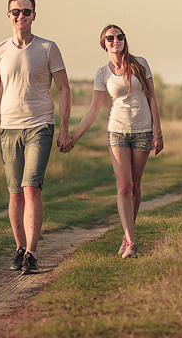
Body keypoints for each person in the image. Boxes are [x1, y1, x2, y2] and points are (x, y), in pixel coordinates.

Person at [0, 0, 71, 275]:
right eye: (15, 12)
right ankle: (19, 247)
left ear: (35, 15)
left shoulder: (48, 48)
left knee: (31, 186)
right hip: (8, 128)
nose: (21, 16)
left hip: (40, 125)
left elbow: (64, 89)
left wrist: (65, 128)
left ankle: (32, 252)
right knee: (14, 193)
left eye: (26, 11)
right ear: (8, 15)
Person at [66, 24, 163, 259]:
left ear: (124, 40)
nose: (115, 40)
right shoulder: (102, 74)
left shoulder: (140, 64)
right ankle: (131, 242)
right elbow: (93, 111)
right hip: (117, 132)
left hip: (143, 132)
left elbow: (152, 98)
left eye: (119, 37)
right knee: (123, 186)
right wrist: (73, 138)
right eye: (110, 38)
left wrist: (158, 132)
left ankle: (126, 235)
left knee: (135, 187)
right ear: (104, 43)